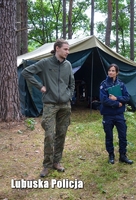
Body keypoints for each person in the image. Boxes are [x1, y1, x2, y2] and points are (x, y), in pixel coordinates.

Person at [21, 39, 75, 178]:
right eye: (65, 49)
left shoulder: (68, 65)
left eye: (68, 49)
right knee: (49, 135)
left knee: (61, 134)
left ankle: (57, 162)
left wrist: (69, 95)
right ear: (57, 48)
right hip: (50, 104)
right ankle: (46, 164)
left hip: (64, 105)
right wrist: (40, 86)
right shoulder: (45, 63)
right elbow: (26, 72)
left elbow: (72, 82)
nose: (68, 52)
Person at [99, 64, 133, 165]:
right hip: (108, 114)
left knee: (122, 135)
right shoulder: (104, 84)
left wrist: (116, 98)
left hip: (119, 115)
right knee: (109, 136)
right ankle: (111, 155)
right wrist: (117, 103)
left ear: (117, 72)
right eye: (109, 70)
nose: (111, 72)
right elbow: (104, 100)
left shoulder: (121, 84)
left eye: (113, 71)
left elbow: (127, 97)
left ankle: (123, 155)